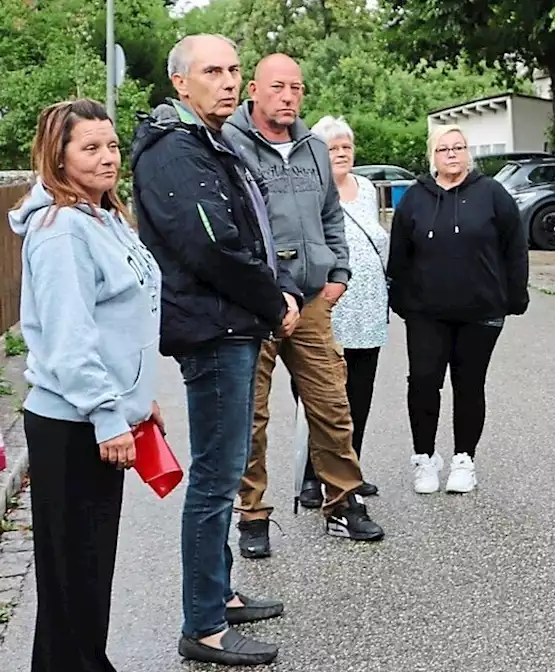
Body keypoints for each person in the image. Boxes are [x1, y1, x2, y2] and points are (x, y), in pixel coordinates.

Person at [132, 34, 297, 666]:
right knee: (215, 480)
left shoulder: (206, 141)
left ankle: (218, 595)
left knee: (221, 475)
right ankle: (203, 625)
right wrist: (271, 299)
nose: (228, 81)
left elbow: (241, 232)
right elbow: (211, 246)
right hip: (215, 327)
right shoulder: (176, 152)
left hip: (228, 322)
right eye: (212, 71)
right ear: (180, 83)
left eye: (233, 70)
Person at [10, 99, 161, 672]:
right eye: (89, 148)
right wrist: (106, 411)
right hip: (71, 424)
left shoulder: (101, 217)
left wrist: (137, 401)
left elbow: (121, 320)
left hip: (100, 416)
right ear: (59, 155)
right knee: (73, 572)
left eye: (112, 145)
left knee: (89, 570)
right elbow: (70, 343)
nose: (106, 159)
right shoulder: (61, 233)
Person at [223, 53, 384, 557]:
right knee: (250, 414)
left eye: (296, 87)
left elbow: (331, 216)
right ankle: (251, 515)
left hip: (312, 300)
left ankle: (342, 502)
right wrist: (262, 292)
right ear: (254, 89)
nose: (289, 96)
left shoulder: (314, 147)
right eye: (278, 87)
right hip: (255, 304)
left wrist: (338, 275)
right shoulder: (229, 143)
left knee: (332, 404)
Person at [387, 124, 529, 494]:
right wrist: (400, 298)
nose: (452, 154)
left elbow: (515, 248)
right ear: (432, 157)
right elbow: (399, 254)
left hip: (480, 310)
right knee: (423, 382)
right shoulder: (415, 199)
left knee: (468, 385)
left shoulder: (493, 195)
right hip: (425, 310)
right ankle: (424, 457)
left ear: (469, 153)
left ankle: (464, 458)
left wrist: (515, 295)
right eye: (444, 149)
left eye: (459, 147)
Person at [291, 115, 390, 509]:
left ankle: (351, 470)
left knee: (358, 394)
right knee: (321, 396)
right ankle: (313, 477)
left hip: (367, 309)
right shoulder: (308, 191)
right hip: (327, 310)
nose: (341, 153)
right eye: (332, 147)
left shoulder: (366, 189)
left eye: (346, 146)